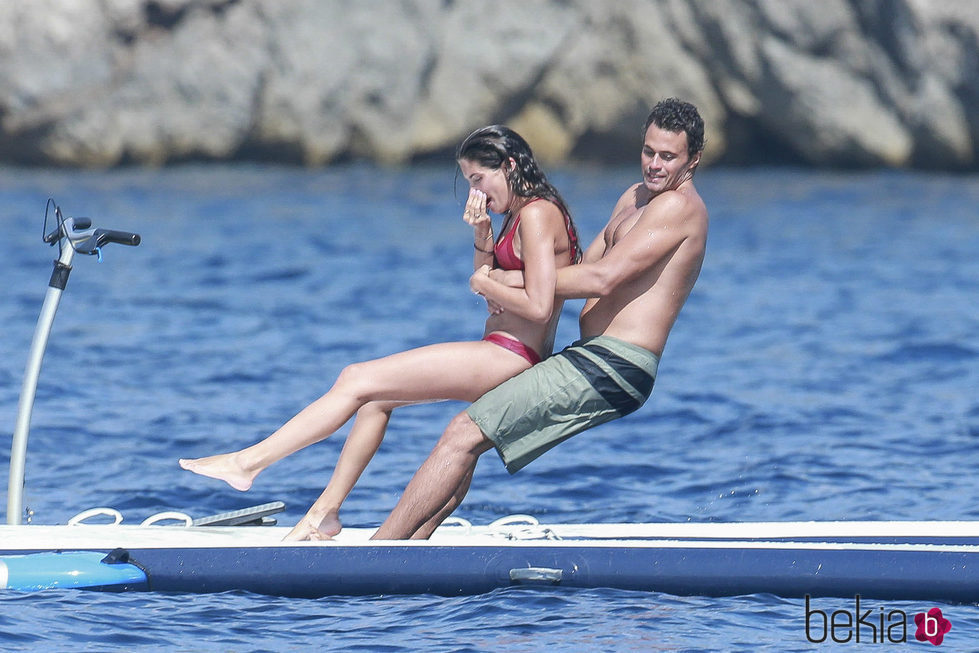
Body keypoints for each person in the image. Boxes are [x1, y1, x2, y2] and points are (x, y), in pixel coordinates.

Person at [179, 125, 581, 540]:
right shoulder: (518, 215)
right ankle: (324, 515)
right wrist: (482, 238)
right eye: (469, 183)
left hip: (512, 355)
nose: (475, 193)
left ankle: (249, 464)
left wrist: (487, 284)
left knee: (356, 378)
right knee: (375, 401)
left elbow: (538, 305)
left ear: (510, 166)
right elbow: (491, 281)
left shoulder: (536, 213)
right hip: (499, 349)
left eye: (479, 179)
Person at [371, 98, 708, 540]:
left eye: (668, 157)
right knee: (473, 432)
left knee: (462, 433)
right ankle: (411, 549)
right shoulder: (635, 196)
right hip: (592, 355)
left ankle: (381, 550)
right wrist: (514, 280)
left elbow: (603, 278)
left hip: (617, 364)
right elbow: (581, 265)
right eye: (649, 151)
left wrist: (502, 283)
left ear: (693, 160)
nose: (654, 165)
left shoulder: (677, 207)